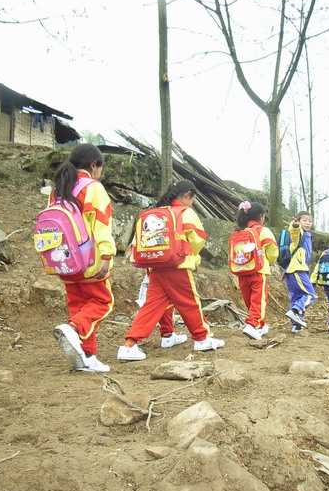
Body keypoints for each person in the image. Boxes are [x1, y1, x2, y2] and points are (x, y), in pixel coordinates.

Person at [117, 180, 224, 360]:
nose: (192, 204)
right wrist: (194, 258)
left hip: (156, 267)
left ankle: (130, 345)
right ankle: (202, 338)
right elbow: (197, 239)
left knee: (151, 306)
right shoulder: (186, 212)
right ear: (188, 195)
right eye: (193, 200)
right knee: (190, 302)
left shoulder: (158, 212)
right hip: (177, 266)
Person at [51, 144, 116, 373]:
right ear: (94, 165)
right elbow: (101, 223)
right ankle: (74, 329)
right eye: (101, 168)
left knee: (80, 307)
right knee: (102, 302)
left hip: (64, 260)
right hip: (89, 260)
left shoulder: (58, 188)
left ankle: (87, 356)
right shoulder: (92, 187)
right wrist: (106, 254)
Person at [232, 201, 278, 340]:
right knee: (259, 300)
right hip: (258, 271)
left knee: (250, 301)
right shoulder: (263, 231)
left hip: (242, 271)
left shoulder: (239, 231)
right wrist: (270, 261)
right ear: (261, 217)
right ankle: (252, 325)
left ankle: (260, 325)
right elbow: (273, 251)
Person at [283, 211, 316, 333]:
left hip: (294, 270)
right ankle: (295, 311)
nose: (307, 223)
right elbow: (294, 232)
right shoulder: (299, 233)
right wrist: (295, 225)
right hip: (298, 270)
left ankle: (297, 324)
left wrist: (285, 271)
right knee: (310, 294)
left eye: (310, 221)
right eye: (304, 220)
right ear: (299, 220)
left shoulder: (307, 235)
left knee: (297, 296)